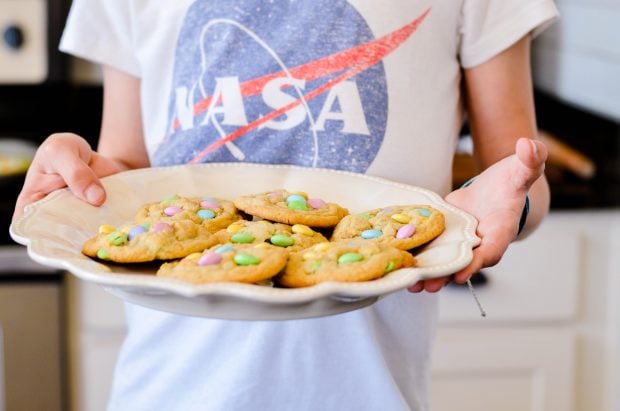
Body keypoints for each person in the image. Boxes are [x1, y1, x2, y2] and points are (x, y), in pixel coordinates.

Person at [13, 1, 558, 410]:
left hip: (370, 392)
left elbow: (518, 181)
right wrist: (83, 183)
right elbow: (132, 172)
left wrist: (508, 205)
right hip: (167, 390)